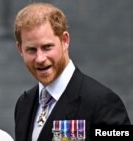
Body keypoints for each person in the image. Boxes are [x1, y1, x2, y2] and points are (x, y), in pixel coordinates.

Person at [13, 2, 130, 141]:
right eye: (31, 49)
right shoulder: (24, 104)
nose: (40, 58)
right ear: (20, 49)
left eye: (47, 47)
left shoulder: (102, 103)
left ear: (65, 41)